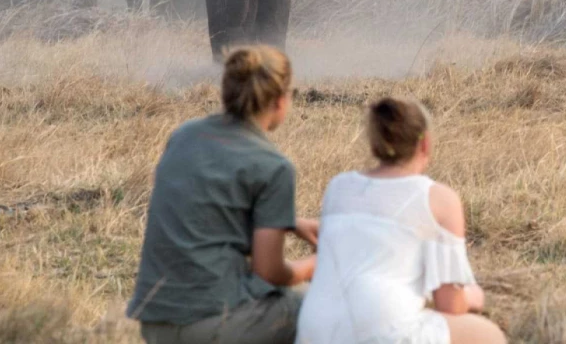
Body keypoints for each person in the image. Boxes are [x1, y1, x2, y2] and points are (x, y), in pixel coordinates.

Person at [128, 45, 319, 344]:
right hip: (212, 323)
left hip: (155, 321)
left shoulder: (184, 135)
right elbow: (269, 272)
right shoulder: (274, 166)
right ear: (281, 101)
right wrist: (311, 266)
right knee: (315, 309)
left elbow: (208, 198)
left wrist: (289, 221)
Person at [297, 98, 506, 344]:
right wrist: (473, 296)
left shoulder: (338, 187)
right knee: (490, 335)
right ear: (425, 143)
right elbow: (450, 305)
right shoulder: (440, 198)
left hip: (315, 331)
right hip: (383, 331)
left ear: (375, 144)